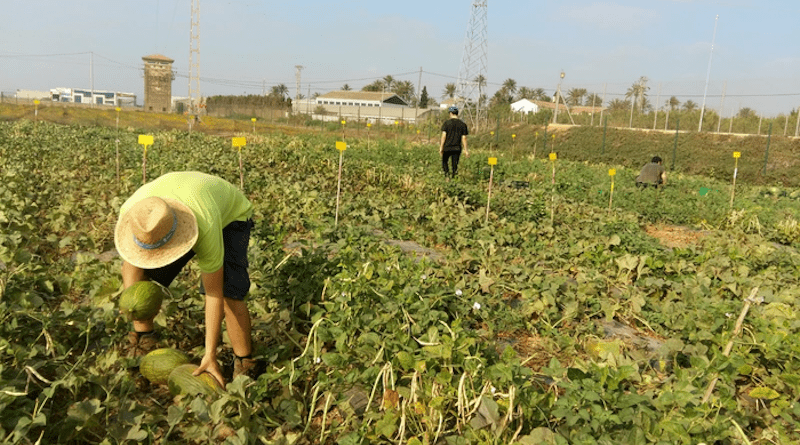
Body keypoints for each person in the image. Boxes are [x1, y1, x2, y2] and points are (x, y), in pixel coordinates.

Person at [114, 171, 255, 385]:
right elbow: (130, 268)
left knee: (229, 292)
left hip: (230, 215)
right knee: (134, 269)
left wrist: (210, 355)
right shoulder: (133, 215)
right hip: (180, 198)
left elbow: (213, 292)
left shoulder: (205, 224)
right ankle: (144, 337)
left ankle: (245, 362)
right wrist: (135, 307)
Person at [439, 106, 469, 178]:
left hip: (447, 147)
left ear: (451, 113)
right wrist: (466, 150)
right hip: (457, 148)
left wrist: (441, 147)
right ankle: (454, 177)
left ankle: (446, 175)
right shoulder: (462, 124)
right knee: (454, 164)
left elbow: (443, 136)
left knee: (444, 162)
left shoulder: (446, 123)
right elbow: (464, 138)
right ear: (457, 113)